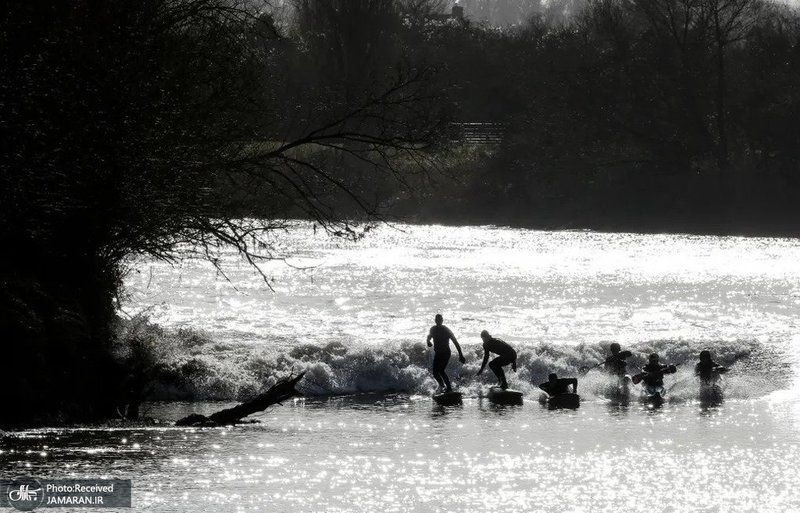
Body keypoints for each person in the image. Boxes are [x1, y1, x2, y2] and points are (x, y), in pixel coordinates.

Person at [426, 314, 466, 392]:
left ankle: (449, 388)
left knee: (441, 370)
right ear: (435, 320)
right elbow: (429, 336)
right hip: (438, 353)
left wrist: (461, 355)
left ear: (442, 320)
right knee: (435, 373)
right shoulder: (433, 329)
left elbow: (456, 342)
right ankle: (442, 386)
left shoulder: (446, 330)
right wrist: (428, 341)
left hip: (446, 353)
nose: (438, 321)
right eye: (437, 320)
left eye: (440, 319)